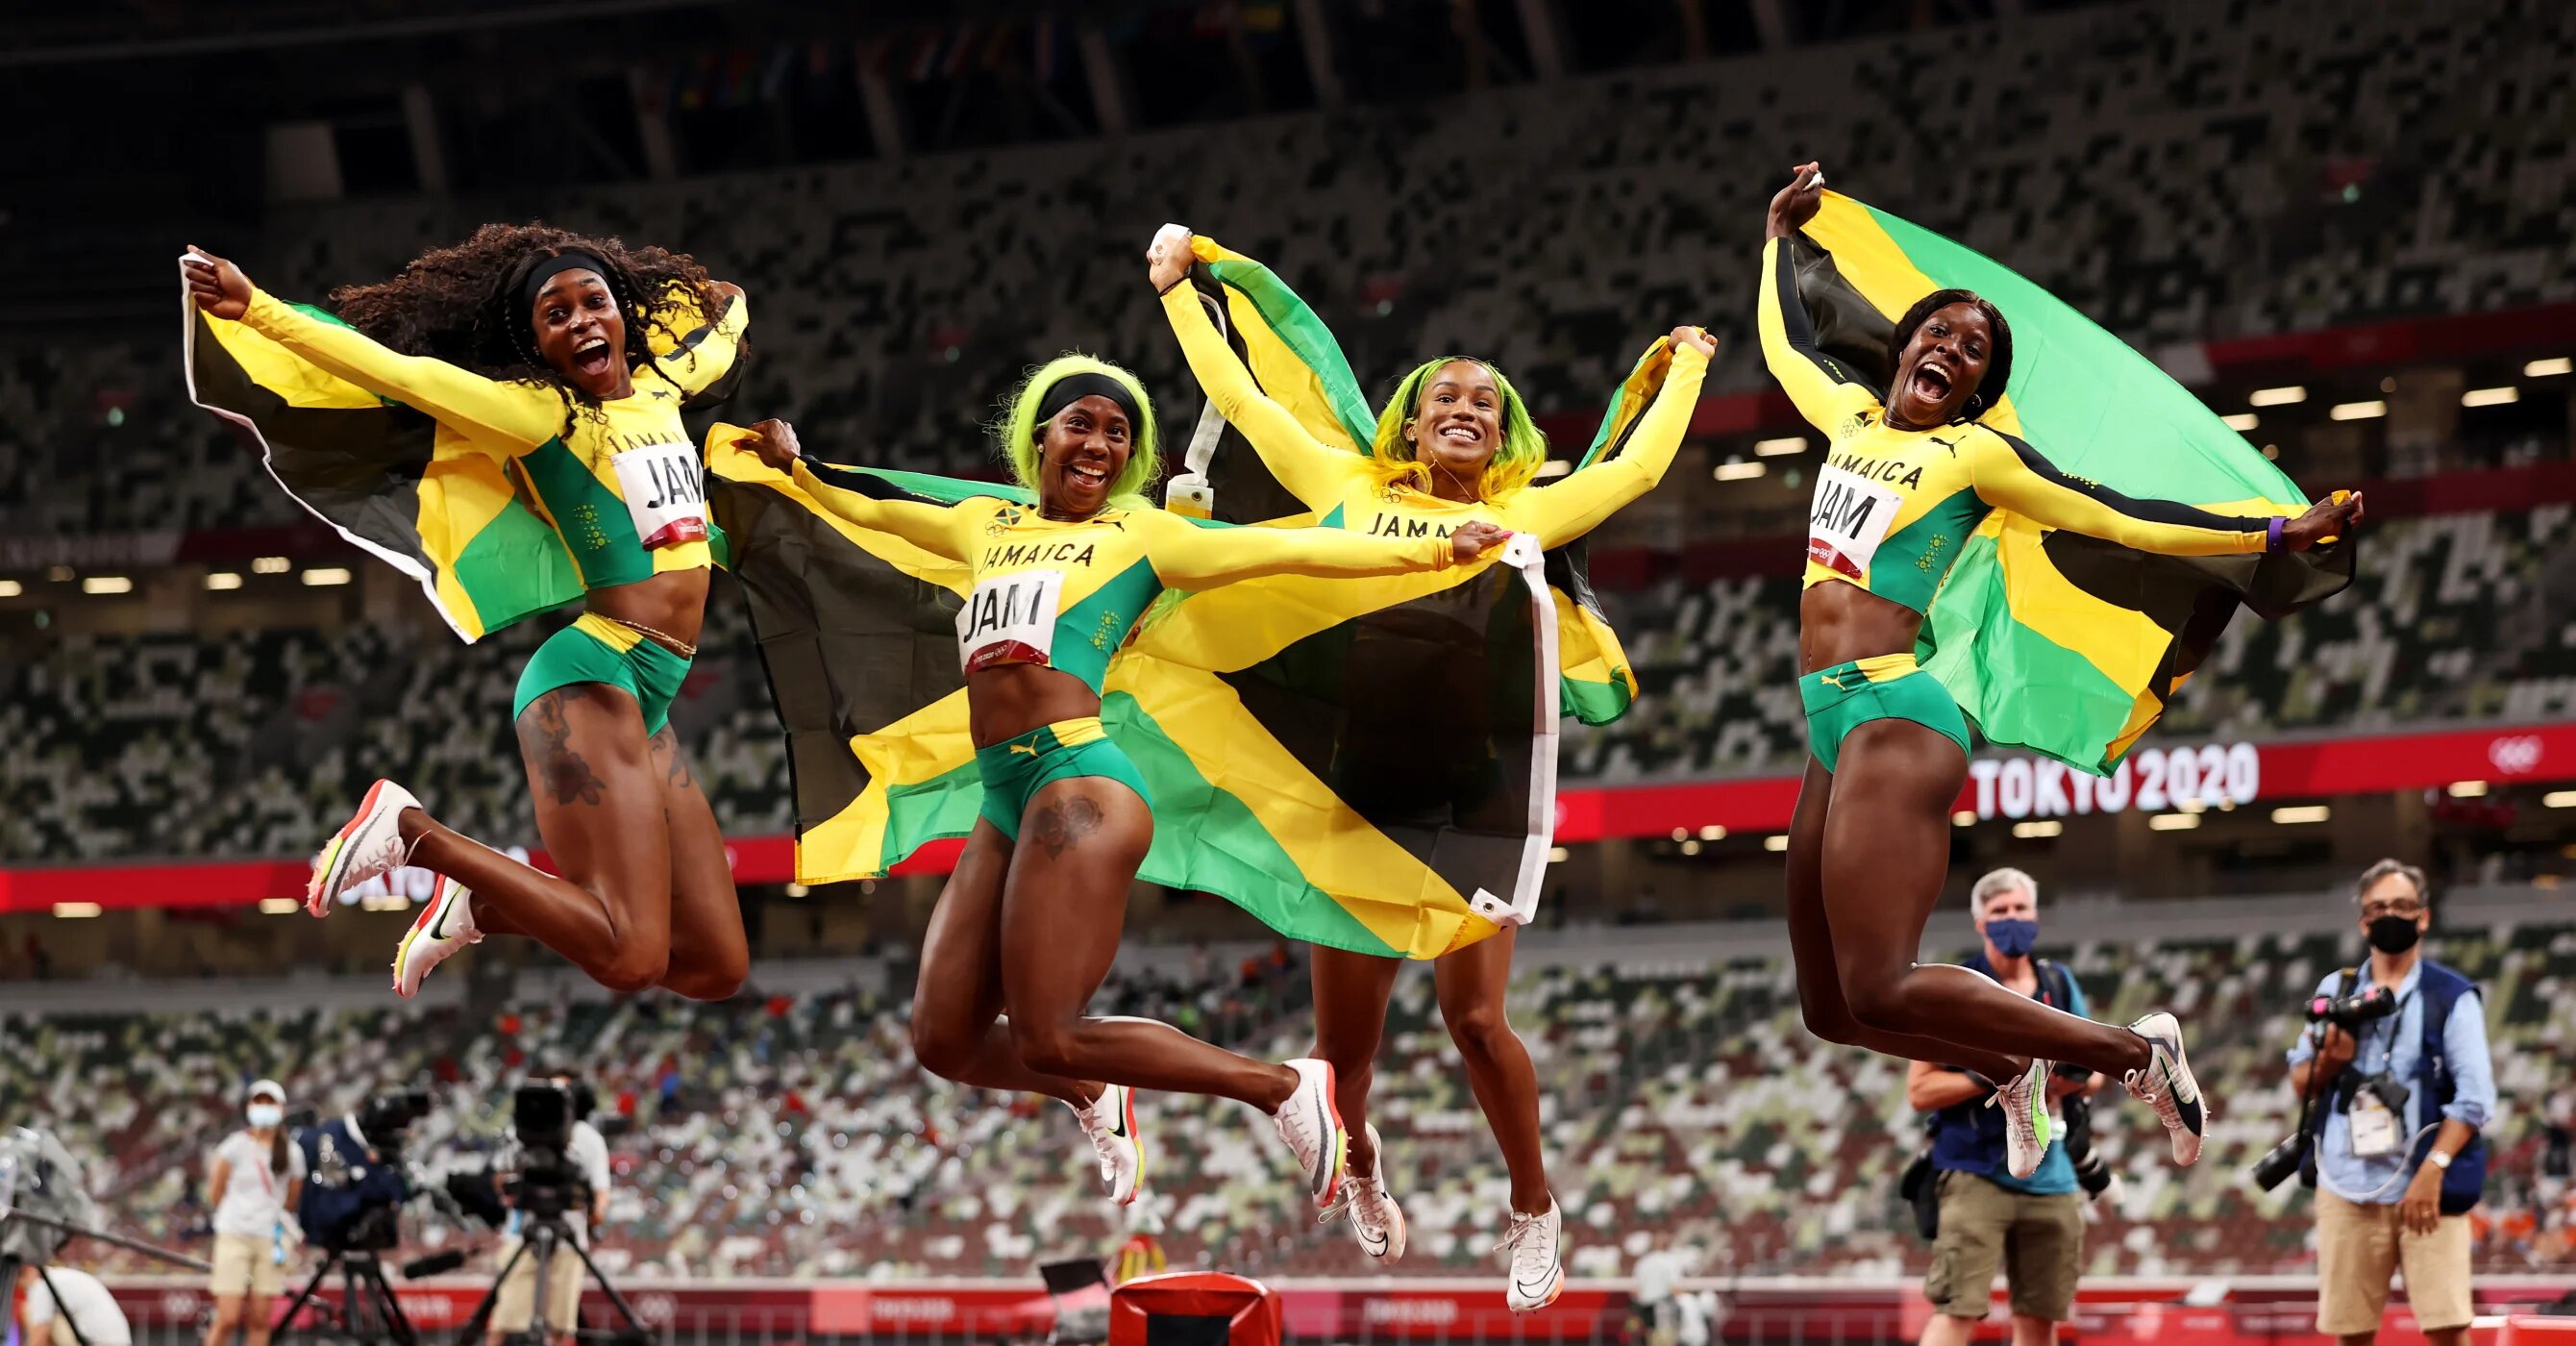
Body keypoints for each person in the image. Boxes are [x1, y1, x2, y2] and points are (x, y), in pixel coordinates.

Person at [739, 358, 1513, 1212]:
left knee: (1054, 1032)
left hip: (1079, 784)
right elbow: (879, 507)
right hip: (1007, 798)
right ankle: (1092, 1091)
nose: (1101, 445)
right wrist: (797, 469)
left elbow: (1293, 546)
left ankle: (1282, 1087)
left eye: (1119, 434)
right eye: (1084, 424)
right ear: (1041, 436)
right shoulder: (983, 524)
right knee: (945, 1041)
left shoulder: (1144, 533)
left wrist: (1438, 542)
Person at [1758, 162, 2365, 1175]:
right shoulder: (1851, 421)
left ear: (1979, 384)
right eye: (1936, 330)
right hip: (1828, 721)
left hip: (1895, 716)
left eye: (1973, 346)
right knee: (1834, 1007)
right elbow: (1787, 342)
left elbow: (2121, 516)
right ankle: (2011, 1069)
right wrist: (1776, 238)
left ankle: (2140, 1049)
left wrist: (2269, 530)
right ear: (1902, 345)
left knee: (1888, 979)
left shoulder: (1975, 455)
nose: (1947, 347)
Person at [1150, 223, 1715, 1310]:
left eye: (1485, 404)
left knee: (1475, 1020)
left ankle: (1534, 1203)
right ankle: (1363, 1165)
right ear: (1410, 416)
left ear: (1502, 436)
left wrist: (1686, 362)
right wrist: (1182, 291)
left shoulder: (1523, 513)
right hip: (1353, 784)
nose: (1463, 408)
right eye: (1444, 397)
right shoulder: (1342, 481)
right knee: (1339, 1057)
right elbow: (1248, 397)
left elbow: (1638, 465)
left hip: (1473, 791)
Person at [181, 230, 754, 1001]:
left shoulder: (663, 385)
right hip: (592, 680)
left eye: (595, 302)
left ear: (624, 316)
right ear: (536, 342)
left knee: (716, 967)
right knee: (630, 958)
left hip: (651, 694)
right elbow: (396, 372)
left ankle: (480, 904)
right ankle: (414, 833)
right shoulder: (537, 414)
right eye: (556, 313)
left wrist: (639, 276)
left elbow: (727, 311)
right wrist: (259, 309)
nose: (581, 320)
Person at [2286, 860, 2495, 1346]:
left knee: (2448, 1328)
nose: (2390, 915)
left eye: (2402, 906)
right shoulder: (2334, 991)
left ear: (2423, 917)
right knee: (2350, 1332)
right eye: (2378, 907)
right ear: (2363, 922)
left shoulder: (2452, 995)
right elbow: (2301, 1082)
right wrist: (2331, 1061)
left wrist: (2433, 1168)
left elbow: (2477, 1099)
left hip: (2428, 1187)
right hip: (2346, 1185)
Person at [1908, 870, 2099, 1346]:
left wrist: (2054, 1081)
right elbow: (1921, 1090)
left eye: (2019, 910)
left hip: (2051, 1175)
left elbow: (2094, 1072)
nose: (2011, 919)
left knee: (2040, 1319)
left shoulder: (2058, 982)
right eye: (1999, 912)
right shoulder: (1954, 988)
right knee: (1958, 1310)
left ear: (2034, 916)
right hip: (1976, 1169)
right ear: (1980, 923)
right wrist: (1992, 1074)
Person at [488, 1070, 613, 1346]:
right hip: (521, 1235)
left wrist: (594, 1214)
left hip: (568, 1239)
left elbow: (601, 1192)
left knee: (560, 1326)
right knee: (503, 1321)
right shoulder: (518, 1132)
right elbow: (500, 1177)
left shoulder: (588, 1138)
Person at [206, 1081, 304, 1346]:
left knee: (260, 1320)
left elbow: (292, 1197)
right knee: (227, 1317)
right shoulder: (234, 1146)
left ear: (282, 1109)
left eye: (269, 1103)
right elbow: (215, 1191)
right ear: (248, 1107)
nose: (264, 1108)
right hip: (234, 1235)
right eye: (258, 1102)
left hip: (269, 1238)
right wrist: (240, 1213)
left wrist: (265, 1215)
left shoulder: (292, 1152)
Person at [17, 1261, 132, 1346]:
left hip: (97, 1341)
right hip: (119, 1340)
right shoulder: (64, 1276)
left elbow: (38, 1339)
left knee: (30, 1311)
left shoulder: (42, 1286)